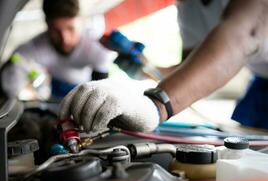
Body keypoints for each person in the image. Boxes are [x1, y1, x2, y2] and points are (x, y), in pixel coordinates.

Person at [59, 0, 268, 132]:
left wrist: (155, 106)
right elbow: (192, 68)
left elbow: (242, 37)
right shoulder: (189, 7)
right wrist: (146, 69)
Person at [2, 0, 113, 100]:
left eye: (70, 28)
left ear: (81, 21)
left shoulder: (97, 46)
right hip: (53, 96)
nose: (65, 39)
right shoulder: (34, 47)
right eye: (56, 31)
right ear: (47, 25)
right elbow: (13, 68)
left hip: (84, 92)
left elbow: (101, 93)